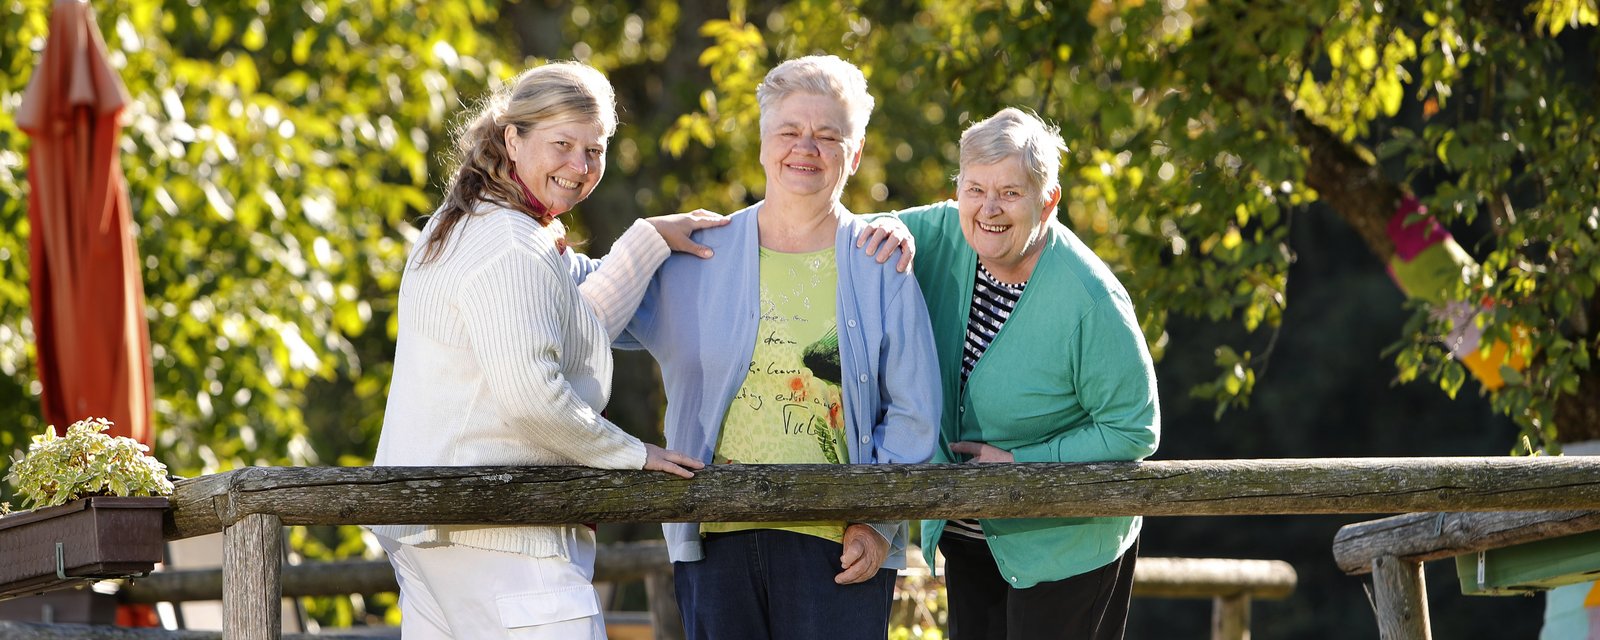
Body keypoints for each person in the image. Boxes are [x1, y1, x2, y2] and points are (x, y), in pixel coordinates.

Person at [368, 61, 725, 640]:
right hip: (497, 532)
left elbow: (568, 328)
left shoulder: (476, 221)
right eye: (563, 144)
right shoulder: (510, 243)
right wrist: (632, 453)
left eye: (596, 149)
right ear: (513, 137)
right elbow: (533, 397)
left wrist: (647, 239)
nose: (580, 167)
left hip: (441, 527)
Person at [617, 55, 941, 640]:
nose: (805, 148)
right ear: (765, 144)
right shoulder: (699, 255)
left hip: (840, 549)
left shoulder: (881, 265)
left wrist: (877, 524)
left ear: (856, 154)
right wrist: (642, 239)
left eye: (827, 136)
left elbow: (915, 413)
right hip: (715, 538)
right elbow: (586, 314)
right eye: (789, 131)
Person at [865, 108, 1160, 640]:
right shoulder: (937, 232)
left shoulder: (1091, 300)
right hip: (968, 531)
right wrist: (883, 225)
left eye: (1011, 193)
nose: (989, 209)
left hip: (1066, 544)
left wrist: (1025, 464)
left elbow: (1133, 430)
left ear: (1048, 201)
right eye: (975, 190)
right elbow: (851, 236)